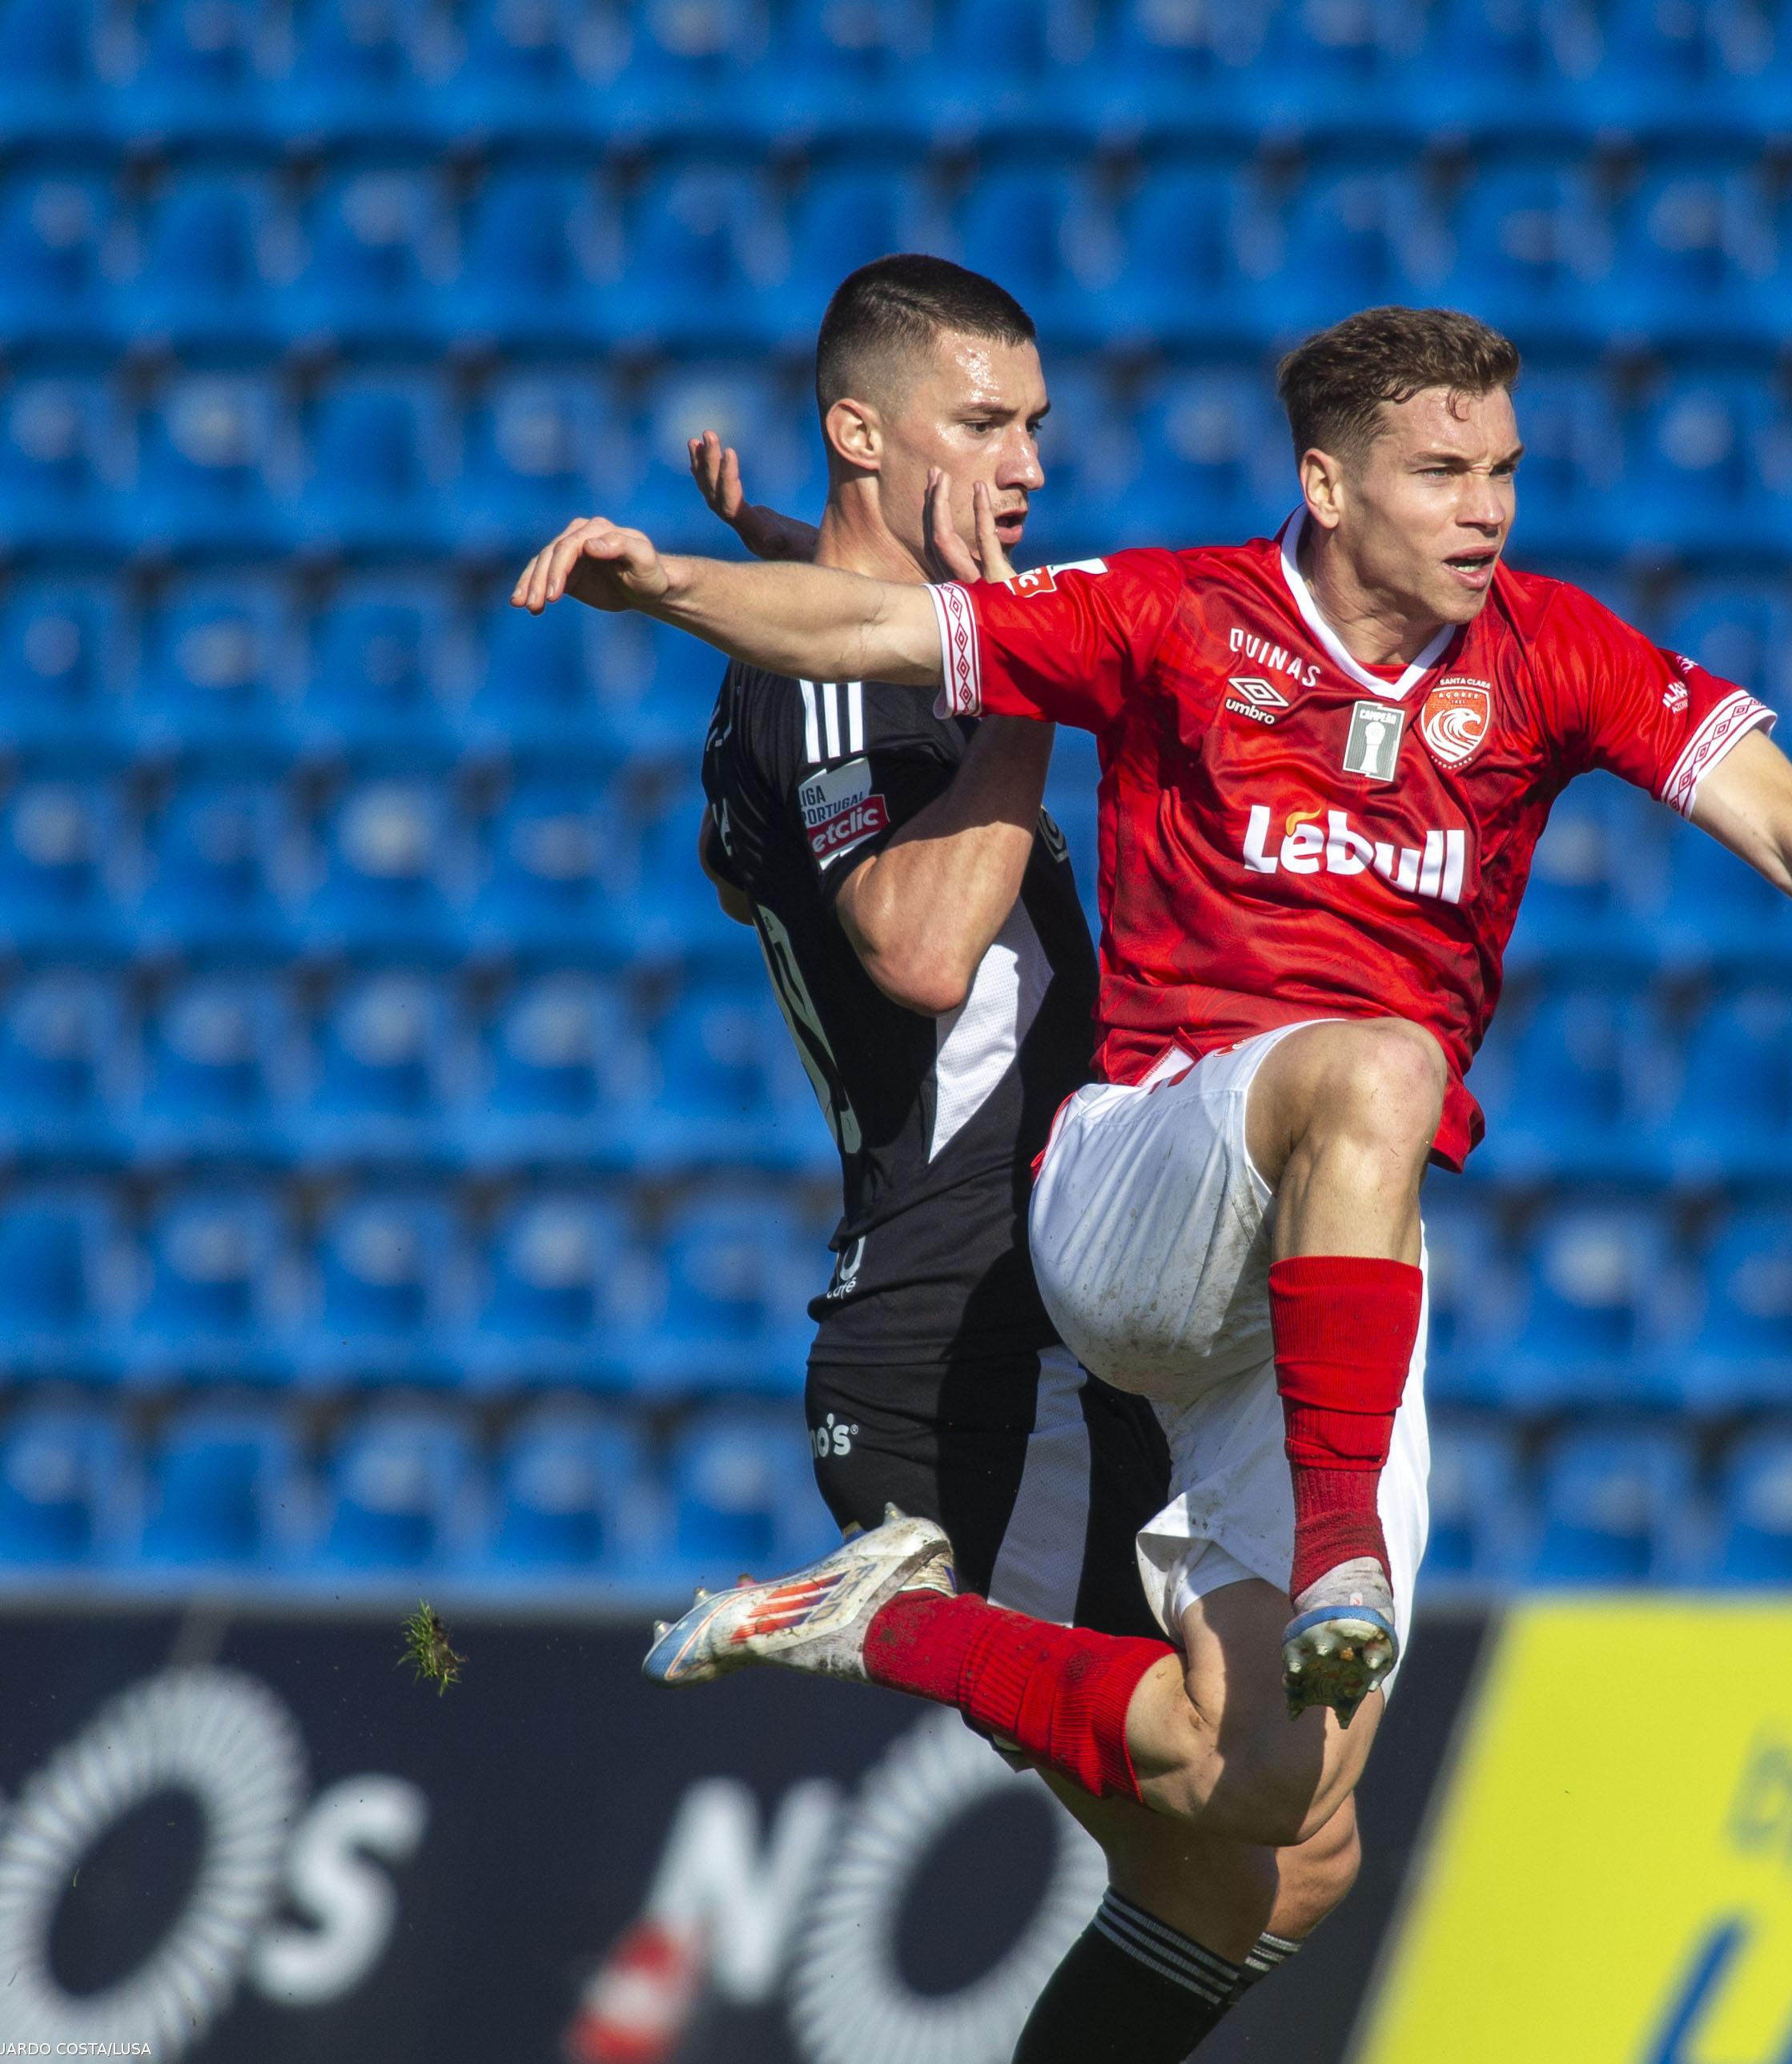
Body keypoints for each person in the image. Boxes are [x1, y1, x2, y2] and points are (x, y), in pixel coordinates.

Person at [514, 301, 1792, 1864]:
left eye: (1503, 469)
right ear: (1324, 483)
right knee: (1382, 1059)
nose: (1486, 509)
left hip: (1321, 1267)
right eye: (1441, 472)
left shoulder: (1554, 652)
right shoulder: (1177, 616)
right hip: (1140, 1185)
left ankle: (884, 1621)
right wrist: (662, 585)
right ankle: (1337, 1544)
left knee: (1267, 1791)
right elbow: (871, 622)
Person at [675, 252, 1348, 2064]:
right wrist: (1032, 668)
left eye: (1038, 425)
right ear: (860, 433)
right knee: (1239, 1832)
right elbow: (914, 946)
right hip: (961, 1340)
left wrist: (821, 567)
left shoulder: (873, 652)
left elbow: (806, 754)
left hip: (1049, 1309)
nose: (1030, 463)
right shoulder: (843, 677)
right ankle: (871, 1621)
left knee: (1289, 1850)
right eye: (983, 423)